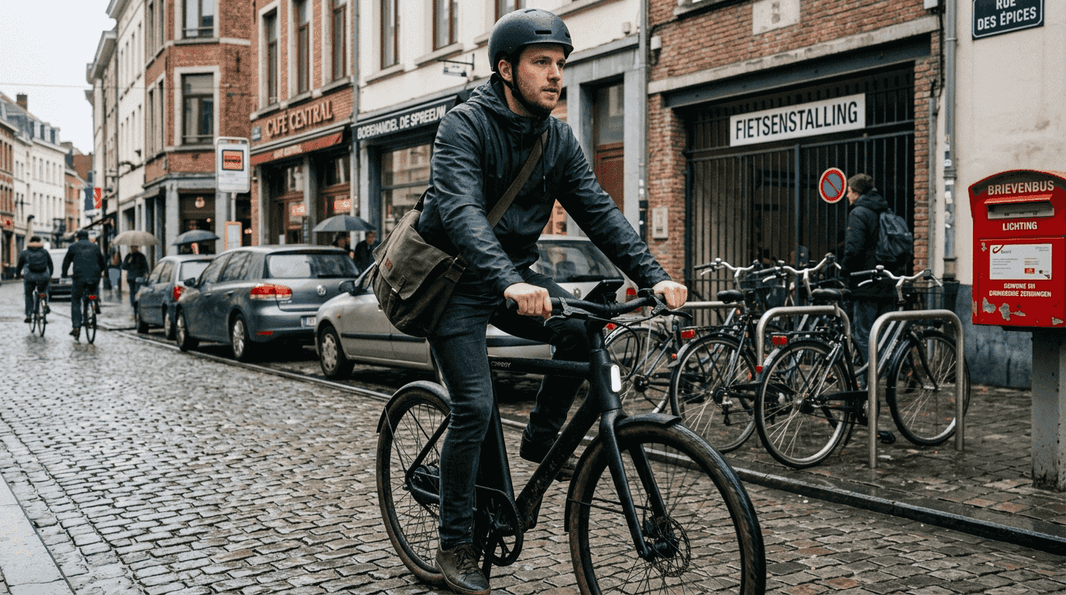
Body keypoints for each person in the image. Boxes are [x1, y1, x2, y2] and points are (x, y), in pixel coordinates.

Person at [417, 9, 687, 594]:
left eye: (560, 63)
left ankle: (542, 440)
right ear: (505, 69)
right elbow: (462, 211)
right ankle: (454, 542)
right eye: (541, 62)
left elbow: (599, 211)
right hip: (453, 283)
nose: (555, 75)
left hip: (512, 276)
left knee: (582, 329)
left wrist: (654, 276)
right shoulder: (464, 127)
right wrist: (508, 282)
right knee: (474, 407)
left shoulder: (556, 138)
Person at [842, 173, 895, 365]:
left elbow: (853, 249)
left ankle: (867, 379)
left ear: (857, 193)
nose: (847, 196)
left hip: (865, 281)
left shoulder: (859, 213)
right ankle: (892, 371)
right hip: (886, 280)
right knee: (885, 333)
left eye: (849, 191)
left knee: (863, 334)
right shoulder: (885, 210)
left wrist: (844, 272)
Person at [62, 230, 107, 340]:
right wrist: (100, 272)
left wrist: (64, 274)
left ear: (77, 237)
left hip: (79, 278)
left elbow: (66, 262)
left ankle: (76, 326)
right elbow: (102, 263)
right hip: (94, 276)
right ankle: (95, 302)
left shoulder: (73, 247)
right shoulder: (95, 247)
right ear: (87, 237)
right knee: (93, 289)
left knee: (76, 300)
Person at [16, 236, 53, 323]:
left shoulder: (24, 253)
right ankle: (44, 305)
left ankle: (29, 315)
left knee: (28, 295)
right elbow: (50, 264)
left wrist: (17, 275)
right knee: (43, 292)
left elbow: (19, 266)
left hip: (30, 277)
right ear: (40, 242)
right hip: (44, 276)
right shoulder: (45, 252)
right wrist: (50, 275)